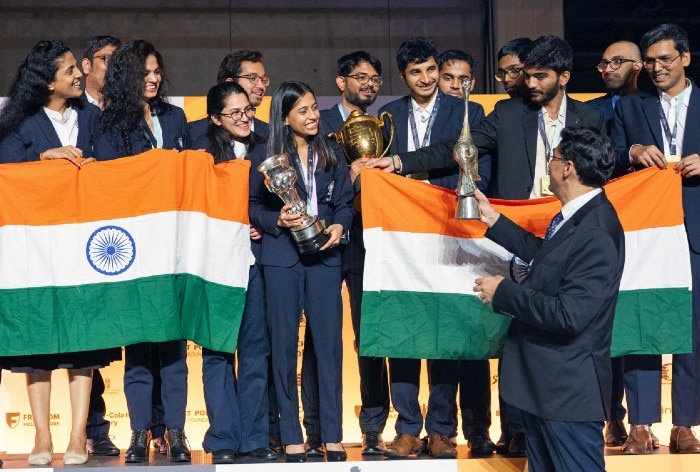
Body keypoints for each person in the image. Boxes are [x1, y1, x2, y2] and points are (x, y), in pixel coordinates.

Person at [473, 126, 625, 472]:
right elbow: (551, 261)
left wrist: (505, 293)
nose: (550, 166)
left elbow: (569, 314)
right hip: (545, 388)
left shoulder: (597, 230)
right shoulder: (579, 217)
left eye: (553, 159)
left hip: (567, 394)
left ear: (568, 168)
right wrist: (496, 220)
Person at [0, 39, 119, 467]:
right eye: (69, 69)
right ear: (47, 80)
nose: (77, 75)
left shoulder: (94, 117)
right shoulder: (19, 121)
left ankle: (76, 435)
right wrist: (47, 159)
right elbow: (6, 174)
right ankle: (41, 436)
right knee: (38, 345)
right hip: (36, 250)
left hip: (83, 248)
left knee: (83, 345)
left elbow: (111, 166)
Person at [93, 39, 190, 463]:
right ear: (127, 76)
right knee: (138, 350)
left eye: (157, 71)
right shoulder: (109, 124)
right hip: (133, 250)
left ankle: (177, 433)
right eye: (144, 72)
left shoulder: (176, 116)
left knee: (173, 348)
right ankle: (137, 433)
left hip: (174, 248)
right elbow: (112, 182)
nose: (153, 78)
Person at [377, 37, 474, 460]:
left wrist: (400, 163)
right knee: (402, 330)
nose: (426, 78)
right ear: (404, 75)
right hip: (400, 236)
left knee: (445, 332)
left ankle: (441, 428)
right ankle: (407, 428)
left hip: (445, 230)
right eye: (416, 71)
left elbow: (453, 153)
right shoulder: (388, 115)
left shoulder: (464, 109)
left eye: (431, 70)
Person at [249, 81, 353, 463]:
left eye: (314, 108)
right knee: (282, 349)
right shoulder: (266, 154)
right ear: (285, 117)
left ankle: (333, 435)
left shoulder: (332, 151)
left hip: (325, 257)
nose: (312, 117)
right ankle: (291, 436)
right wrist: (276, 217)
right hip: (282, 260)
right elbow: (252, 207)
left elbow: (344, 204)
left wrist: (340, 226)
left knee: (329, 349)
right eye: (303, 111)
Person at [611, 22, 700, 454]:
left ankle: (686, 424)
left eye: (666, 59)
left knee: (693, 328)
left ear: (686, 57)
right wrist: (630, 153)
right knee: (640, 323)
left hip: (695, 232)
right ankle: (641, 425)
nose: (657, 68)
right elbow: (604, 156)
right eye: (649, 61)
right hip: (645, 231)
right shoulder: (631, 108)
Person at [188, 81, 276, 464]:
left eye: (247, 110)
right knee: (218, 352)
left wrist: (259, 220)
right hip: (216, 266)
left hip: (255, 262)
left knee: (256, 353)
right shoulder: (202, 153)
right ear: (214, 118)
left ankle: (255, 437)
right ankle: (223, 437)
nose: (244, 118)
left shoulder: (267, 147)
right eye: (234, 113)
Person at [315, 50, 390, 456]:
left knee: (371, 336)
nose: (369, 85)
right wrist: (350, 175)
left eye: (375, 79)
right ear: (341, 82)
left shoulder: (384, 126)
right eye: (360, 77)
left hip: (369, 241)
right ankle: (319, 426)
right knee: (320, 337)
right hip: (324, 240)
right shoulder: (318, 122)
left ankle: (374, 426)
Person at [436, 48, 495, 457]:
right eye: (449, 78)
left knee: (475, 336)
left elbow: (491, 172)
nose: (457, 86)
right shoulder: (420, 117)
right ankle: (439, 429)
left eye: (464, 79)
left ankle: (479, 431)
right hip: (430, 234)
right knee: (441, 335)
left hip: (476, 237)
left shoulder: (483, 120)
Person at [587, 40, 642, 450]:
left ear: (639, 65)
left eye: (617, 61)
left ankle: (650, 420)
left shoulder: (654, 106)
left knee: (635, 322)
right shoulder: (593, 111)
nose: (607, 68)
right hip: (603, 225)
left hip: (650, 226)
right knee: (603, 326)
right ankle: (611, 418)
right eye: (603, 63)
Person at [77, 34, 123, 458]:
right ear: (87, 65)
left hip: (125, 234)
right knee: (88, 337)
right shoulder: (75, 113)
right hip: (86, 236)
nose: (114, 66)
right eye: (107, 59)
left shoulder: (128, 114)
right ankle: (94, 427)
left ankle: (156, 427)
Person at [185, 50, 270, 146]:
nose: (261, 86)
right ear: (230, 82)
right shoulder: (195, 132)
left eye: (263, 80)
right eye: (253, 78)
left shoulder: (269, 133)